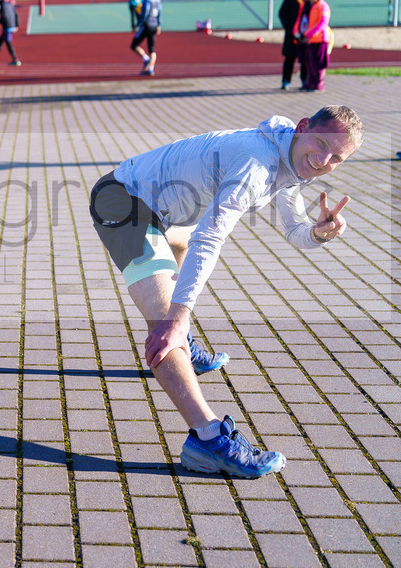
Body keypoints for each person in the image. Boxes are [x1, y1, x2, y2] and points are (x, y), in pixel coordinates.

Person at [89, 105, 363, 477]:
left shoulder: (293, 156)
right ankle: (207, 439)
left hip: (161, 213)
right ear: (302, 129)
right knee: (166, 325)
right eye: (320, 144)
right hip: (123, 200)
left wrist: (318, 233)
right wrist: (177, 318)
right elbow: (211, 236)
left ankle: (184, 344)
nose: (323, 160)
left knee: (180, 248)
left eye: (337, 158)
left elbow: (295, 230)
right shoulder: (257, 163)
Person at [295, 0, 331, 92]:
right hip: (308, 40)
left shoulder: (323, 6)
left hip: (319, 39)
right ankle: (310, 83)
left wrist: (309, 34)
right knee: (308, 63)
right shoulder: (306, 6)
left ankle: (319, 84)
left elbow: (322, 23)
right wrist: (296, 32)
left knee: (318, 64)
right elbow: (300, 20)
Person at [278, 0, 311, 89]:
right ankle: (285, 81)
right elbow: (282, 13)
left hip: (306, 34)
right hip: (292, 34)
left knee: (305, 59)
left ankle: (305, 82)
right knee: (289, 58)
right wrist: (289, 27)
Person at [131, 0, 161, 76]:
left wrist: (139, 23)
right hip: (154, 25)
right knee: (152, 49)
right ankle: (150, 69)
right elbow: (160, 12)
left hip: (147, 25)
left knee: (134, 45)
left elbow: (146, 12)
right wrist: (158, 25)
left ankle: (146, 59)